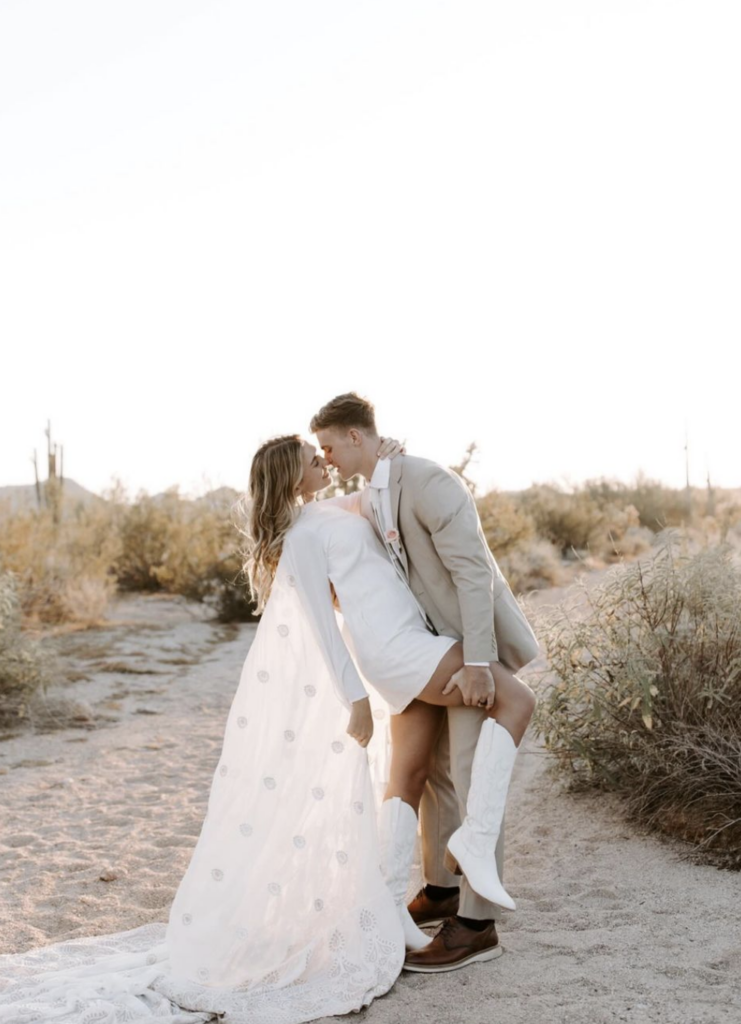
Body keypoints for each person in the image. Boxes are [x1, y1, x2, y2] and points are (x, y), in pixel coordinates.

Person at [0, 430, 536, 1024]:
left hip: (410, 640)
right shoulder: (302, 537)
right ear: (291, 476)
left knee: (406, 775)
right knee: (509, 705)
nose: (323, 462)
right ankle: (466, 851)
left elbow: (379, 503)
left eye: (323, 452)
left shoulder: (330, 509)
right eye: (313, 460)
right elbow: (320, 622)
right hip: (392, 653)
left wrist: (388, 455)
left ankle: (387, 913)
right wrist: (354, 697)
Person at [310, 392, 541, 973]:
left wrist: (480, 663)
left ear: (356, 438)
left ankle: (477, 921)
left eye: (329, 447)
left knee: (466, 771)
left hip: (468, 649)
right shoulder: (375, 490)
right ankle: (441, 889)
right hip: (428, 648)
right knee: (436, 774)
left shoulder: (430, 482)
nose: (327, 457)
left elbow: (473, 575)